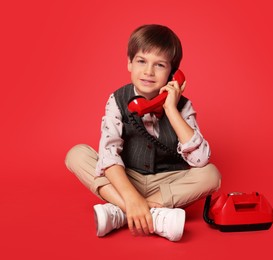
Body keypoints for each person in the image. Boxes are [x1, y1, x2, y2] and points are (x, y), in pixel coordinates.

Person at [65, 24, 221, 242]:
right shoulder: (117, 100)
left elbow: (200, 159)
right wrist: (131, 196)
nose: (148, 72)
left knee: (211, 174)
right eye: (141, 61)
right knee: (77, 154)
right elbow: (109, 155)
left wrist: (170, 109)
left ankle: (121, 213)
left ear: (173, 74)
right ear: (129, 63)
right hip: (128, 178)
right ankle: (150, 215)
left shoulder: (182, 106)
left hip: (167, 183)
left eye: (159, 65)